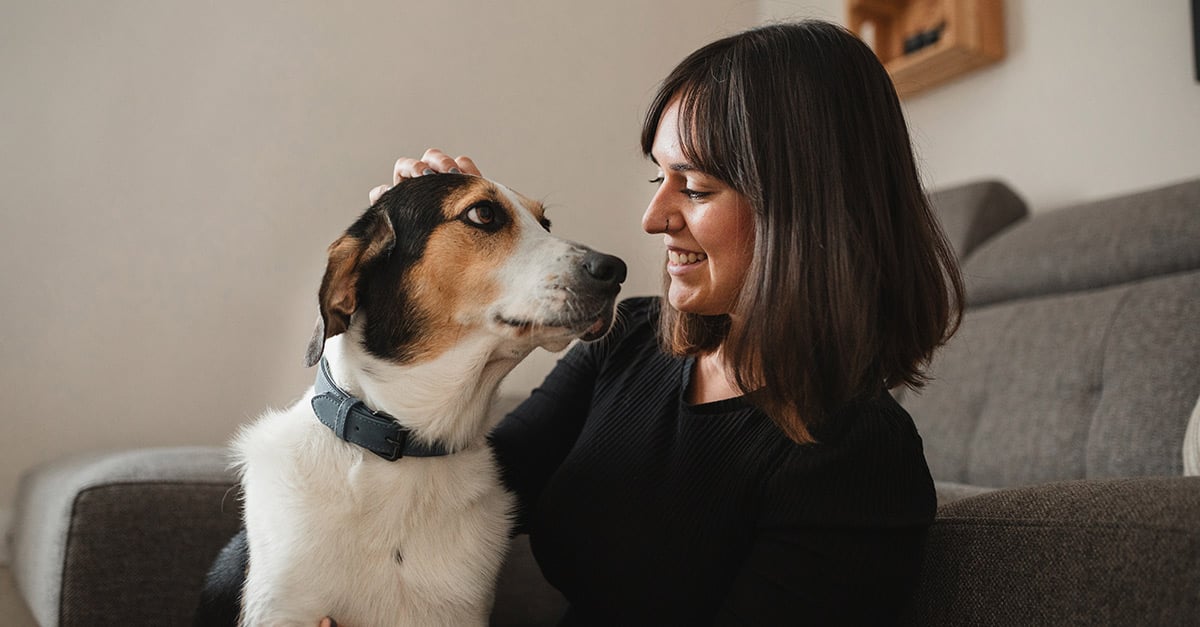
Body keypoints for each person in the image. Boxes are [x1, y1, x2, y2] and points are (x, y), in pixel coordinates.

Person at [346, 19, 963, 626]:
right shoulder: (633, 339)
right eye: (657, 176)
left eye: (693, 187)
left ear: (802, 208)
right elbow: (461, 491)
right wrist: (410, 272)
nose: (651, 216)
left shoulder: (859, 458)